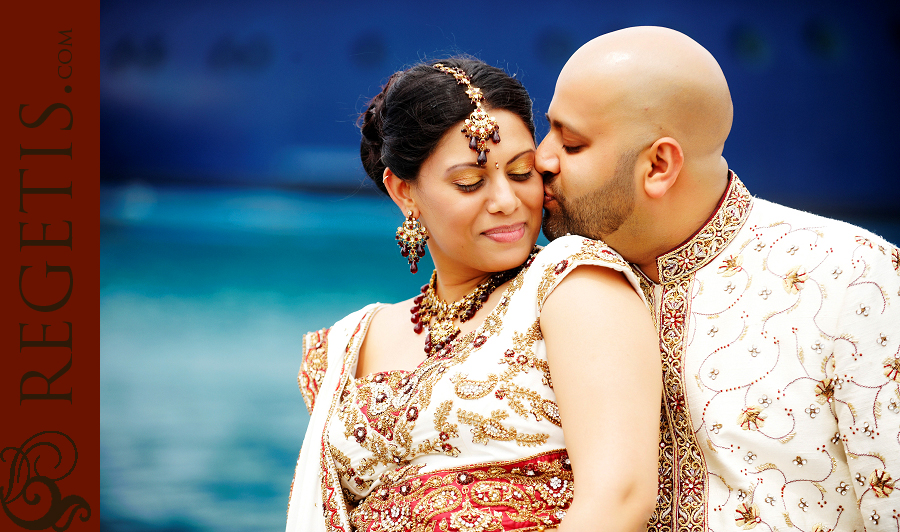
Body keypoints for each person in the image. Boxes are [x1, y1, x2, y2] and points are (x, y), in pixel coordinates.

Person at [536, 26, 900, 531]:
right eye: (549, 129)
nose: (541, 159)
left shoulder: (850, 276)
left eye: (571, 144)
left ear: (659, 165)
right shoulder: (546, 287)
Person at [284, 57, 661, 532]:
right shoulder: (353, 340)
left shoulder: (571, 284)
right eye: (470, 182)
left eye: (523, 173)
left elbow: (619, 497)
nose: (507, 200)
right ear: (405, 192)